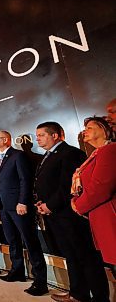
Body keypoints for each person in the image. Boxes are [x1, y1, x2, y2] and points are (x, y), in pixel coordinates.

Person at [34, 122, 109, 302]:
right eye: (37, 136)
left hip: (70, 215)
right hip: (55, 215)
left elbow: (68, 186)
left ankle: (100, 297)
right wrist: (41, 203)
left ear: (55, 135)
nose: (38, 139)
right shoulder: (48, 155)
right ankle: (78, 293)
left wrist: (50, 205)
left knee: (86, 257)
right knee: (71, 256)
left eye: (42, 135)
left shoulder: (70, 153)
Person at [0, 131, 48, 296]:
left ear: (6, 140)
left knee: (30, 241)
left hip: (18, 206)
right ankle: (17, 271)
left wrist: (23, 201)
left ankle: (40, 281)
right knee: (12, 240)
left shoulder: (18, 156)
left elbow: (25, 180)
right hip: (3, 207)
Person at [71, 117, 116, 268]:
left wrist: (78, 205)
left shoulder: (109, 150)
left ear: (104, 130)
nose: (85, 131)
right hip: (101, 215)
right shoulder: (96, 154)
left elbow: (100, 187)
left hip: (111, 215)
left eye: (89, 127)